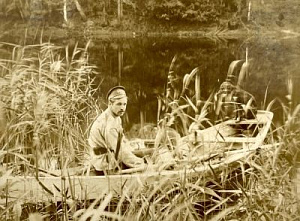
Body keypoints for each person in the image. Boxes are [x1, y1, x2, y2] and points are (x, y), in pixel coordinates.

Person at [88, 86, 145, 172]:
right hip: (106, 164)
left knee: (141, 150)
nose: (122, 108)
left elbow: (121, 141)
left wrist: (133, 148)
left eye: (124, 104)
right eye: (119, 104)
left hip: (108, 157)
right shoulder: (110, 124)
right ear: (110, 104)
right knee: (145, 165)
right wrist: (139, 162)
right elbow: (120, 152)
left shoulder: (114, 116)